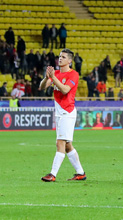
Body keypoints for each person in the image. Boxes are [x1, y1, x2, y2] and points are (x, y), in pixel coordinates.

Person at [40, 49, 86, 182]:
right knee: (67, 145)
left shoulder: (74, 75)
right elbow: (42, 86)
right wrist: (46, 77)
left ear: (70, 61)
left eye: (63, 57)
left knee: (59, 143)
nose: (60, 59)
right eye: (59, 56)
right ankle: (80, 172)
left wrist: (53, 78)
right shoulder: (57, 74)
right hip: (59, 112)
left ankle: (52, 174)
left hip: (67, 112)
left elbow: (65, 90)